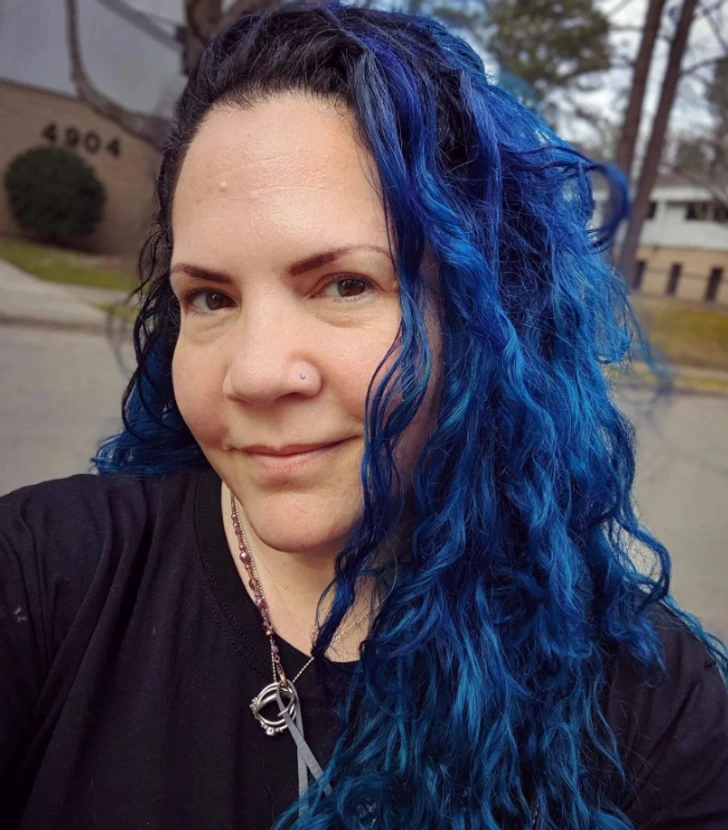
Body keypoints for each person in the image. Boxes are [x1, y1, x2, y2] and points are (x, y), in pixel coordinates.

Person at [1, 3, 727, 828]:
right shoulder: (48, 577)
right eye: (210, 297)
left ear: (487, 315)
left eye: (345, 284)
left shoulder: (648, 703)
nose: (255, 374)